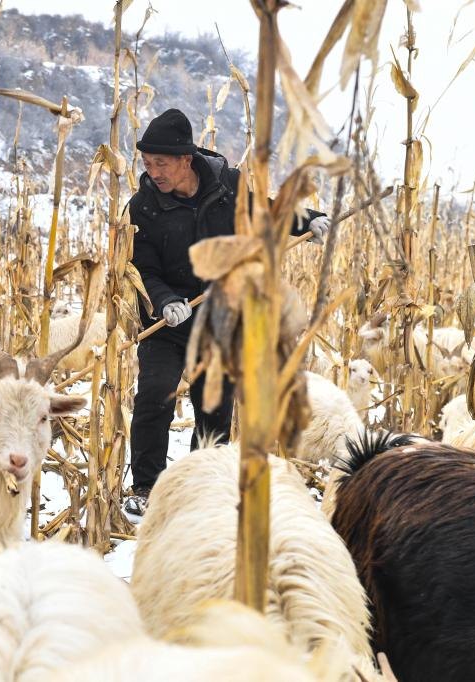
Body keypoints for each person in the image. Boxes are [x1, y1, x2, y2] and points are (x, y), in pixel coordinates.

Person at [124, 108, 330, 515]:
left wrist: (310, 220)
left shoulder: (227, 185)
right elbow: (142, 268)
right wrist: (165, 301)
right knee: (154, 396)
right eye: (147, 164)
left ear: (186, 159)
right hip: (165, 321)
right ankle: (146, 487)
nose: (153, 173)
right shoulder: (143, 205)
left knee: (214, 401)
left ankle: (208, 480)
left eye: (161, 163)